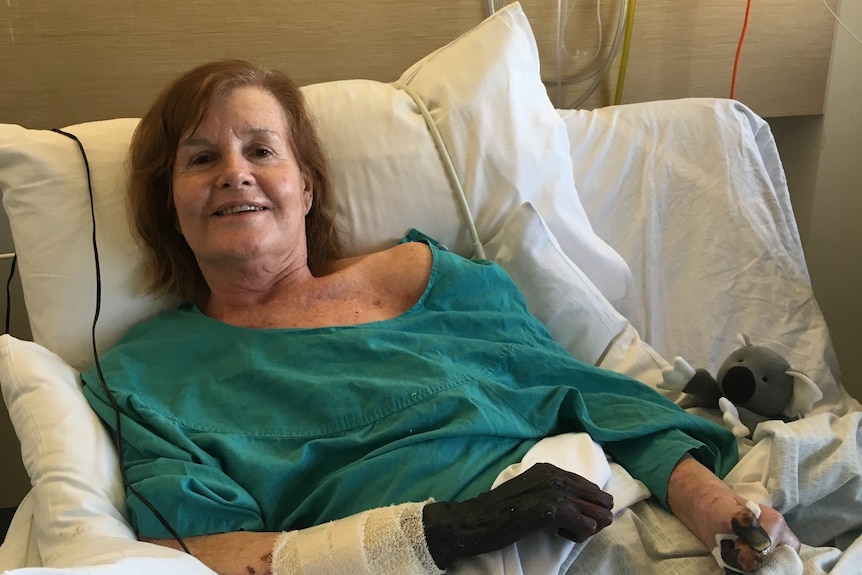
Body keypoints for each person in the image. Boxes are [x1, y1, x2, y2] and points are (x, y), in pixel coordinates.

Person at [81, 59, 800, 575]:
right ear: (169, 206)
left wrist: (714, 506)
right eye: (201, 158)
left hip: (606, 521)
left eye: (261, 150)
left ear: (305, 186)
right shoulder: (144, 374)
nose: (234, 171)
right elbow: (198, 552)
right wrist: (445, 532)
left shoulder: (428, 279)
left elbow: (594, 399)